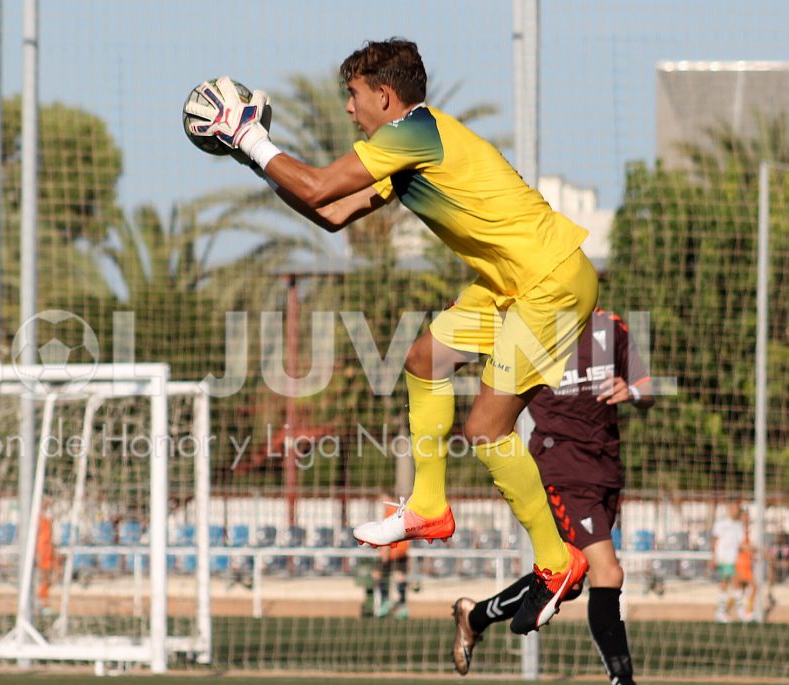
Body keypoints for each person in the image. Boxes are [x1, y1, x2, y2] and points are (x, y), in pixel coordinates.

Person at [188, 38, 592, 632]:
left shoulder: (413, 132)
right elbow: (329, 213)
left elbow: (321, 185)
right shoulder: (410, 149)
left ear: (384, 94)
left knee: (486, 427)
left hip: (550, 282)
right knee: (424, 358)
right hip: (513, 283)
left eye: (353, 96)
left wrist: (249, 135)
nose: (349, 110)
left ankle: (557, 564)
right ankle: (429, 507)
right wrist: (254, 156)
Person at [449, 308, 678, 685]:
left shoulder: (613, 328)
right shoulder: (529, 328)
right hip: (559, 466)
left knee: (567, 581)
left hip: (605, 468)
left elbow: (648, 386)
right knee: (607, 571)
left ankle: (475, 615)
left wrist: (634, 390)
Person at [711, 501, 747, 623]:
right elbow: (714, 541)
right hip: (724, 559)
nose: (735, 510)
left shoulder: (738, 526)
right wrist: (714, 557)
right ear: (729, 509)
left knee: (735, 583)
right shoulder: (721, 523)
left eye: (737, 508)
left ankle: (726, 611)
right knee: (729, 583)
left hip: (735, 559)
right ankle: (729, 611)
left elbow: (740, 545)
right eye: (733, 508)